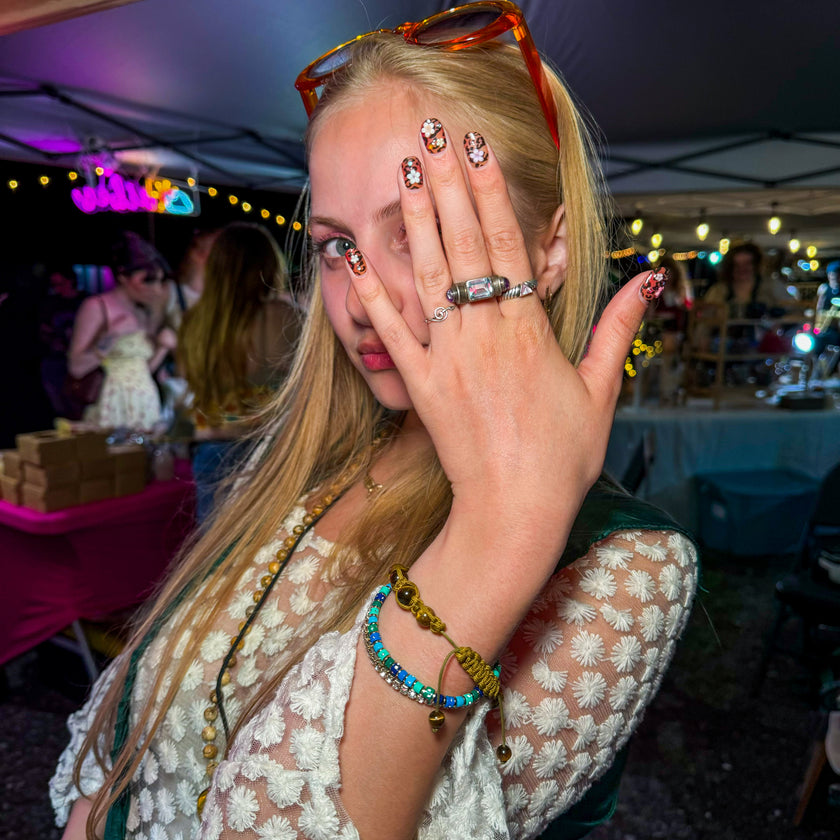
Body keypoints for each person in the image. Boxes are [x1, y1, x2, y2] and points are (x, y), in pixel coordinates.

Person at [51, 5, 699, 839]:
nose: (362, 300)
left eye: (422, 231)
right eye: (337, 246)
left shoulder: (624, 570)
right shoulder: (305, 464)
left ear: (550, 250)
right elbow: (132, 735)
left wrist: (506, 524)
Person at [177, 222, 302, 524]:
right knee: (267, 544)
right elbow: (308, 381)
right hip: (268, 447)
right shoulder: (281, 315)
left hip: (210, 448)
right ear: (268, 264)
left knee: (216, 542)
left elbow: (186, 375)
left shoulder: (195, 320)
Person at [67, 232, 174, 431]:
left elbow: (142, 369)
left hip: (144, 402)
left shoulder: (143, 310)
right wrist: (113, 336)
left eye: (159, 281)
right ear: (124, 276)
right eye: (147, 280)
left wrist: (162, 348)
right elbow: (76, 366)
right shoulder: (97, 306)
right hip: (112, 401)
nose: (155, 288)